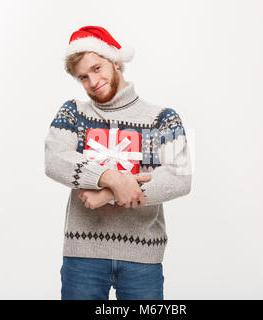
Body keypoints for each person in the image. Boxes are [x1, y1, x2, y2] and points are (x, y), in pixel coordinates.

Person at [44, 26, 192, 300]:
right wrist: (110, 179)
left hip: (142, 257)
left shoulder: (162, 118)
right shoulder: (73, 112)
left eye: (97, 68)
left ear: (115, 61)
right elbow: (55, 159)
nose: (93, 81)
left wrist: (108, 196)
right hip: (83, 256)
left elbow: (179, 178)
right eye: (83, 77)